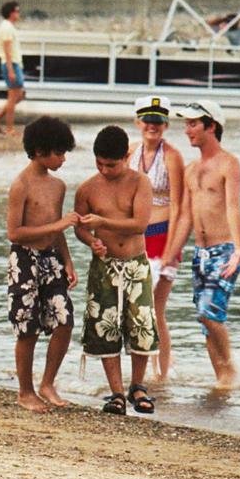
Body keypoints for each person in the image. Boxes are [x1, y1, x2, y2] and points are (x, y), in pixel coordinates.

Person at [74, 125, 157, 415]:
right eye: (99, 163)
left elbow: (140, 224)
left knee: (141, 325)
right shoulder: (87, 188)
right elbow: (80, 228)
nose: (105, 170)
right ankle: (117, 392)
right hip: (104, 265)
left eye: (111, 164)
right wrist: (92, 241)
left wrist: (103, 222)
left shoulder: (140, 182)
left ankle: (138, 386)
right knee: (105, 327)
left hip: (135, 263)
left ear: (126, 157)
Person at [166, 100, 240, 390]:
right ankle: (221, 380)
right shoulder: (190, 169)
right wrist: (169, 255)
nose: (187, 130)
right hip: (200, 254)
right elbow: (186, 217)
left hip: (224, 250)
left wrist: (238, 249)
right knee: (205, 322)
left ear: (211, 126)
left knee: (208, 313)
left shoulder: (228, 163)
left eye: (193, 124)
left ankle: (231, 371)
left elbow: (233, 208)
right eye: (186, 124)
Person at [5, 116, 78, 413]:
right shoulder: (20, 185)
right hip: (25, 258)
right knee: (28, 327)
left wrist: (68, 261)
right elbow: (14, 233)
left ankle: (47, 383)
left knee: (65, 321)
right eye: (58, 153)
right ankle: (25, 392)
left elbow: (57, 230)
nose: (63, 159)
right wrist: (59, 224)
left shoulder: (58, 185)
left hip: (51, 258)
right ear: (38, 151)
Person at [128, 95, 185, 381]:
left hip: (162, 236)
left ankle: (161, 372)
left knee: (156, 308)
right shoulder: (130, 152)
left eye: (158, 121)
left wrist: (172, 251)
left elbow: (178, 206)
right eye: (148, 120)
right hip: (136, 237)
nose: (153, 126)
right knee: (137, 306)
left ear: (166, 125)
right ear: (138, 122)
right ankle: (144, 368)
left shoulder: (172, 156)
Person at [0, 1, 25, 136]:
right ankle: (9, 128)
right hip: (11, 64)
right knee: (13, 97)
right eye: (17, 11)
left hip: (15, 64)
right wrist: (10, 70)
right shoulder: (7, 28)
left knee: (19, 96)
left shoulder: (9, 27)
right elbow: (7, 50)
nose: (19, 14)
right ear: (11, 13)